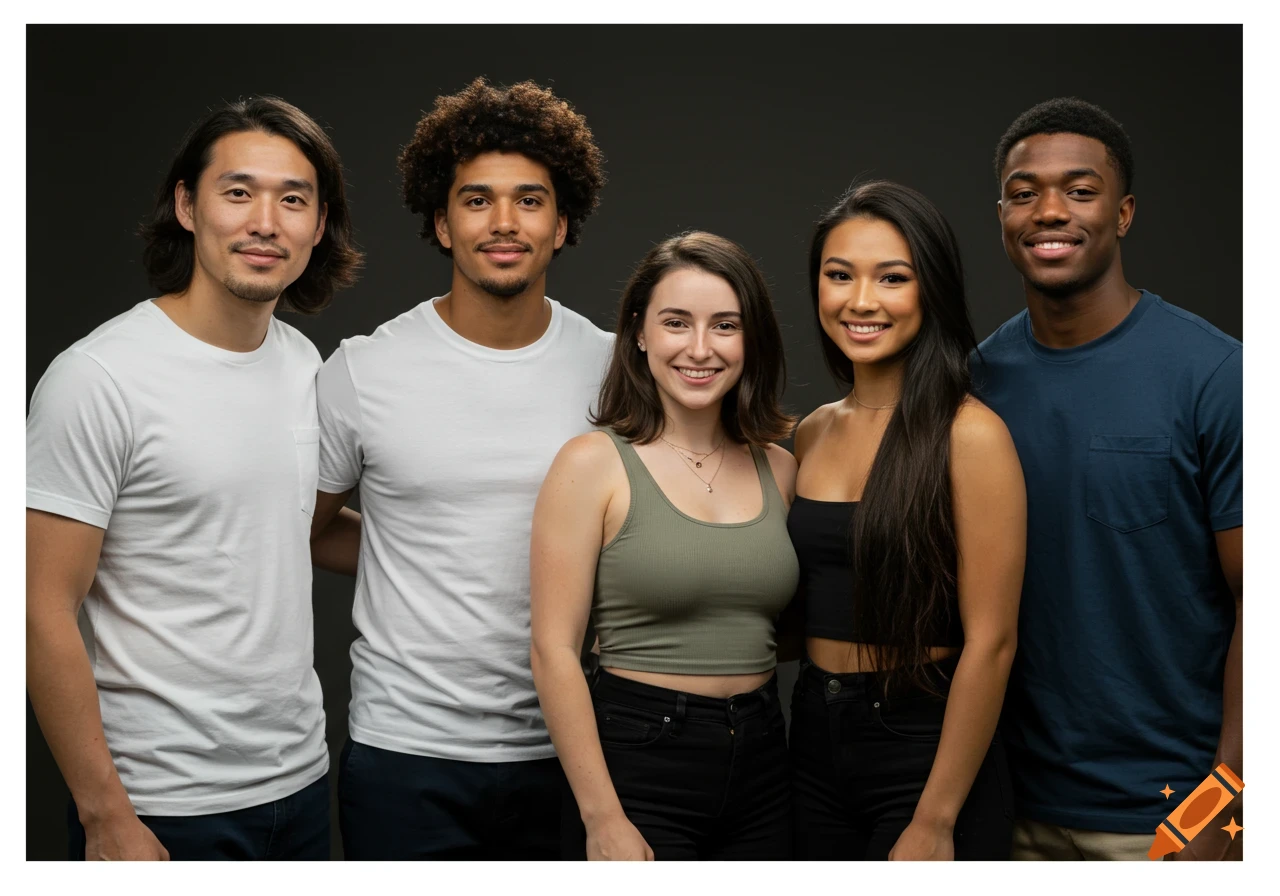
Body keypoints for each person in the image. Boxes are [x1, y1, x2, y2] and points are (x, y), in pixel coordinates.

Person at [26, 96, 363, 860]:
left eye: (293, 200)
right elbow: (39, 608)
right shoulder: (99, 378)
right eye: (238, 192)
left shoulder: (302, 363)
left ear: (319, 224)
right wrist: (106, 815)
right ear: (187, 205)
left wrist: (471, 558)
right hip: (159, 803)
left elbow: (289, 528)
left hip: (300, 783)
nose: (265, 222)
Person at [308, 77, 612, 860]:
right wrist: (413, 555)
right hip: (404, 755)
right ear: (441, 223)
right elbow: (305, 530)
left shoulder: (617, 373)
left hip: (573, 751)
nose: (504, 222)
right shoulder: (365, 370)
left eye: (529, 201)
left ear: (562, 222)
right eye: (477, 201)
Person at [975, 97, 1243, 861]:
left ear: (1123, 214)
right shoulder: (976, 384)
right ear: (1003, 217)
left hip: (1167, 819)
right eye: (1024, 193)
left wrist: (1226, 804)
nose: (1049, 211)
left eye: (1080, 190)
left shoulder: (1216, 375)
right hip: (1005, 812)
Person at [530, 231, 799, 861]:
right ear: (639, 333)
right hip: (638, 759)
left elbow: (778, 622)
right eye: (676, 322)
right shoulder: (592, 463)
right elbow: (553, 651)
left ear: (751, 338)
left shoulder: (782, 469)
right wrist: (602, 817)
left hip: (764, 755)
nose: (700, 349)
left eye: (725, 325)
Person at [787, 180, 1025, 860]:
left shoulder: (970, 434)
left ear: (931, 290)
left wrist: (936, 818)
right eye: (840, 275)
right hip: (811, 734)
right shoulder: (811, 433)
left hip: (924, 745)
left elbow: (993, 643)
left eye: (892, 278)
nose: (860, 301)